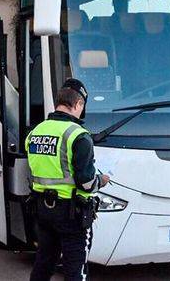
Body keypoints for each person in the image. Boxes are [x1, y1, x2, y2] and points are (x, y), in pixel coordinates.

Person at [27, 78, 110, 281]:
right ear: (79, 104)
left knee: (44, 264)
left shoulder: (35, 132)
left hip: (43, 211)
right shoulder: (79, 136)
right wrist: (103, 179)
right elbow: (86, 183)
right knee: (76, 271)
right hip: (72, 215)